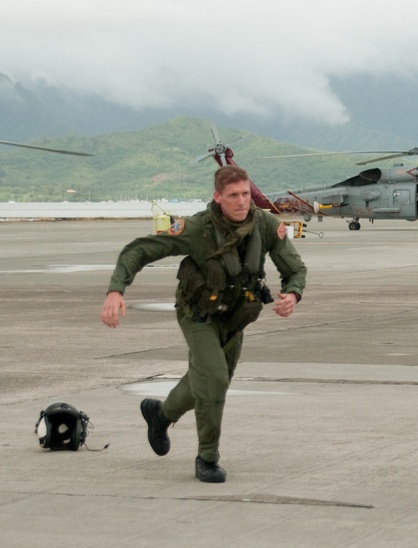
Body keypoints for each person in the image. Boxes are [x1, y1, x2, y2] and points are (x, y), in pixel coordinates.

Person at [101, 165, 307, 483]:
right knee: (212, 379)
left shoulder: (265, 225)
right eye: (233, 195)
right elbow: (140, 249)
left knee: (212, 381)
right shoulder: (197, 228)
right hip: (198, 316)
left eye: (245, 194)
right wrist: (116, 290)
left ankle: (161, 415)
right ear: (217, 197)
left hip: (235, 319)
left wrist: (292, 294)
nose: (241, 202)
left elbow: (294, 268)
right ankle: (207, 458)